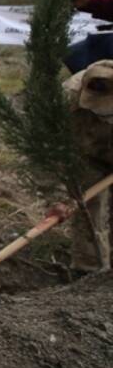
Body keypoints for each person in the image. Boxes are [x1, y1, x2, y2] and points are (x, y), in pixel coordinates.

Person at [61, 60, 113, 271]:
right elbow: (50, 147)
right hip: (86, 154)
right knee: (87, 210)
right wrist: (57, 196)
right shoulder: (66, 97)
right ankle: (88, 270)